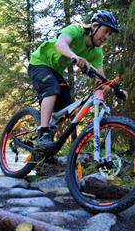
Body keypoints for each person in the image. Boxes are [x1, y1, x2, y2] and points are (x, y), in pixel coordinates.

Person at [28, 10, 120, 151]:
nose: (106, 37)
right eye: (105, 31)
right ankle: (43, 132)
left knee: (65, 107)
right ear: (95, 26)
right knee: (51, 89)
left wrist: (116, 90)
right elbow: (60, 44)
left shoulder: (96, 53)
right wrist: (75, 56)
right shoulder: (77, 29)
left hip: (56, 71)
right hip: (39, 62)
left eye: (110, 34)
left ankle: (44, 150)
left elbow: (102, 80)